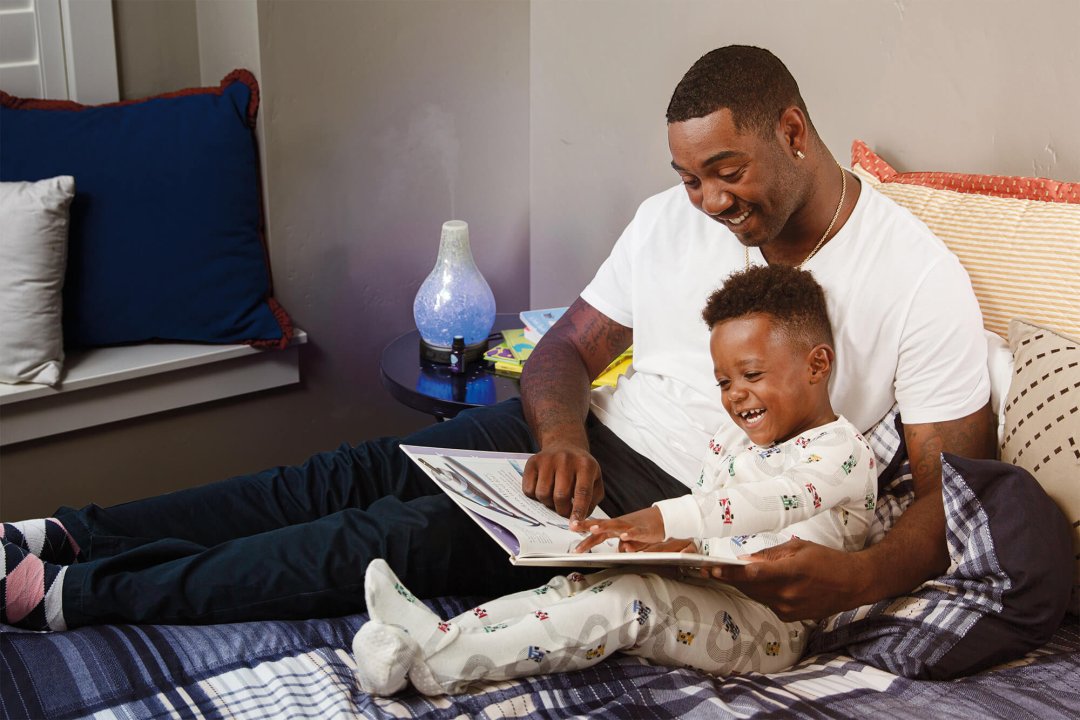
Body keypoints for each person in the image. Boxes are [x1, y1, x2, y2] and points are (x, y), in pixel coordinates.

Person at [0, 45, 993, 633]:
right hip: (573, 448)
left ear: (793, 131)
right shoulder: (669, 219)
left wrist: (860, 579)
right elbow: (563, 352)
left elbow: (958, 498)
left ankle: (71, 596)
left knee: (387, 543)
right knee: (343, 476)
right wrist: (559, 439)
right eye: (692, 177)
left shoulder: (913, 274)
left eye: (727, 170)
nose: (709, 201)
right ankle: (65, 530)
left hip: (683, 510)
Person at [352, 265, 878, 696]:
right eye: (724, 381)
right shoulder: (736, 440)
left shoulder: (844, 451)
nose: (736, 395)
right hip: (710, 587)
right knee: (580, 582)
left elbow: (765, 505)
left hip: (771, 626)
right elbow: (712, 521)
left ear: (817, 365)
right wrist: (662, 544)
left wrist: (658, 519)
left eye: (752, 375)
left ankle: (443, 666)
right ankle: (434, 636)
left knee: (632, 602)